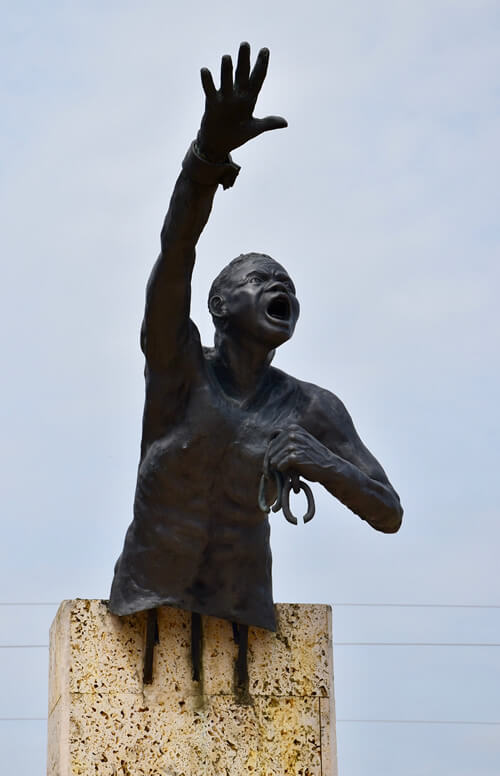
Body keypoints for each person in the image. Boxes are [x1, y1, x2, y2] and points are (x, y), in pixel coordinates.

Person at [109, 43, 403, 681]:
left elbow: (389, 510)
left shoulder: (310, 407)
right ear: (219, 303)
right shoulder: (178, 365)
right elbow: (175, 250)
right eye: (265, 279)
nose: (284, 290)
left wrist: (322, 463)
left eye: (291, 286)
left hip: (243, 622)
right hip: (146, 611)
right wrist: (206, 159)